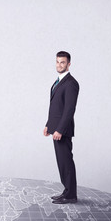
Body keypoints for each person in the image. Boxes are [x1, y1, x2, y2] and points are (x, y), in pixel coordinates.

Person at [43, 51, 80, 204]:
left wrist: (59, 129)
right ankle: (67, 191)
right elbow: (56, 107)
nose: (59, 65)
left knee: (66, 162)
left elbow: (69, 110)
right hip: (56, 128)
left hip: (62, 131)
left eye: (62, 62)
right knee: (62, 162)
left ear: (69, 64)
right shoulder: (58, 81)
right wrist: (48, 125)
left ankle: (71, 195)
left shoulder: (71, 83)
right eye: (57, 62)